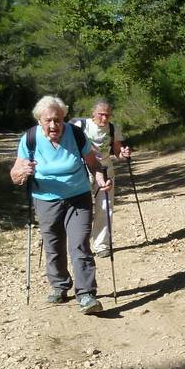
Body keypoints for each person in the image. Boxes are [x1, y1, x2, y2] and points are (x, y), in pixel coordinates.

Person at [9, 95, 111, 314]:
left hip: (78, 196)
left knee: (80, 244)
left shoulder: (75, 134)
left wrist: (101, 180)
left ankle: (86, 294)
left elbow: (94, 164)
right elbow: (15, 175)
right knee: (53, 245)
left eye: (58, 120)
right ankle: (59, 286)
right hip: (45, 199)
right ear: (40, 121)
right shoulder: (30, 139)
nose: (54, 125)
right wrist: (23, 172)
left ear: (64, 118)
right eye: (48, 121)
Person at [72, 99, 131, 257]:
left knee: (105, 207)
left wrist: (123, 154)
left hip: (105, 170)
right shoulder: (80, 126)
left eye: (107, 115)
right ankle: (80, 246)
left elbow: (117, 152)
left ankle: (101, 245)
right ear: (93, 113)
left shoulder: (113, 128)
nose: (104, 118)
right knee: (82, 208)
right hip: (82, 170)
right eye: (101, 115)